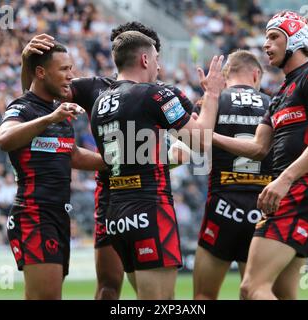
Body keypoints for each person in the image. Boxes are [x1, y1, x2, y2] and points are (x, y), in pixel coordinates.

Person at [20, 21, 195, 300]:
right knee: (110, 287)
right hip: (111, 197)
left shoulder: (166, 95)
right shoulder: (95, 88)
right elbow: (37, 97)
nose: (158, 66)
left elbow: (190, 145)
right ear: (141, 56)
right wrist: (28, 65)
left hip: (146, 192)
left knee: (154, 295)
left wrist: (165, 158)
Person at [213, 11, 308, 299]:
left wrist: (285, 180)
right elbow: (258, 148)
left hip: (296, 194)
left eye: (273, 37)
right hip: (293, 195)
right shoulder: (280, 94)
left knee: (251, 287)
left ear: (295, 39)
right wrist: (208, 137)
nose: (265, 45)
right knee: (282, 294)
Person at [91, 30, 224, 299]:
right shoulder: (154, 94)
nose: (159, 66)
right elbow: (200, 141)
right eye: (156, 59)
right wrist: (211, 94)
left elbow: (132, 156)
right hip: (149, 209)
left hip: (116, 215)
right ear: (144, 59)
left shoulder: (99, 103)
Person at [0, 43, 106, 300]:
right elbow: (4, 139)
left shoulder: (57, 111)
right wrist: (49, 119)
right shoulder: (24, 107)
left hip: (57, 215)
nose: (71, 75)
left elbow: (74, 155)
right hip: (34, 213)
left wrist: (121, 161)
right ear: (41, 73)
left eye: (72, 68)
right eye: (64, 69)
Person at [193, 50, 272, 299]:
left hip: (222, 207)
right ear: (256, 74)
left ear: (226, 76)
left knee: (204, 296)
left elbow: (194, 144)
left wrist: (209, 97)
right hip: (263, 209)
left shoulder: (214, 101)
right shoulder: (274, 104)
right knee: (254, 291)